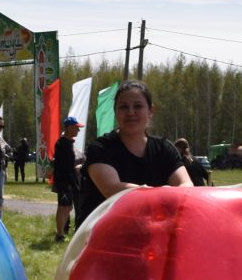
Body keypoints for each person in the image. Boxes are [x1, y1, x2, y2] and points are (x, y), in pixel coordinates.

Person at [81, 80, 193, 224]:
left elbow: (186, 187)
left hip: (153, 235)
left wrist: (159, 194)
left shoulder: (165, 149)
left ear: (150, 111)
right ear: (115, 112)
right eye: (123, 107)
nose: (131, 112)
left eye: (138, 106)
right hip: (103, 236)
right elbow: (111, 190)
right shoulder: (100, 148)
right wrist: (163, 194)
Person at [51, 117, 82, 241]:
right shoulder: (63, 144)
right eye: (76, 127)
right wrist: (71, 183)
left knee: (68, 207)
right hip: (64, 181)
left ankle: (61, 233)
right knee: (63, 207)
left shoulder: (67, 143)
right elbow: (65, 167)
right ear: (69, 127)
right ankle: (60, 234)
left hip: (66, 180)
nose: (78, 131)